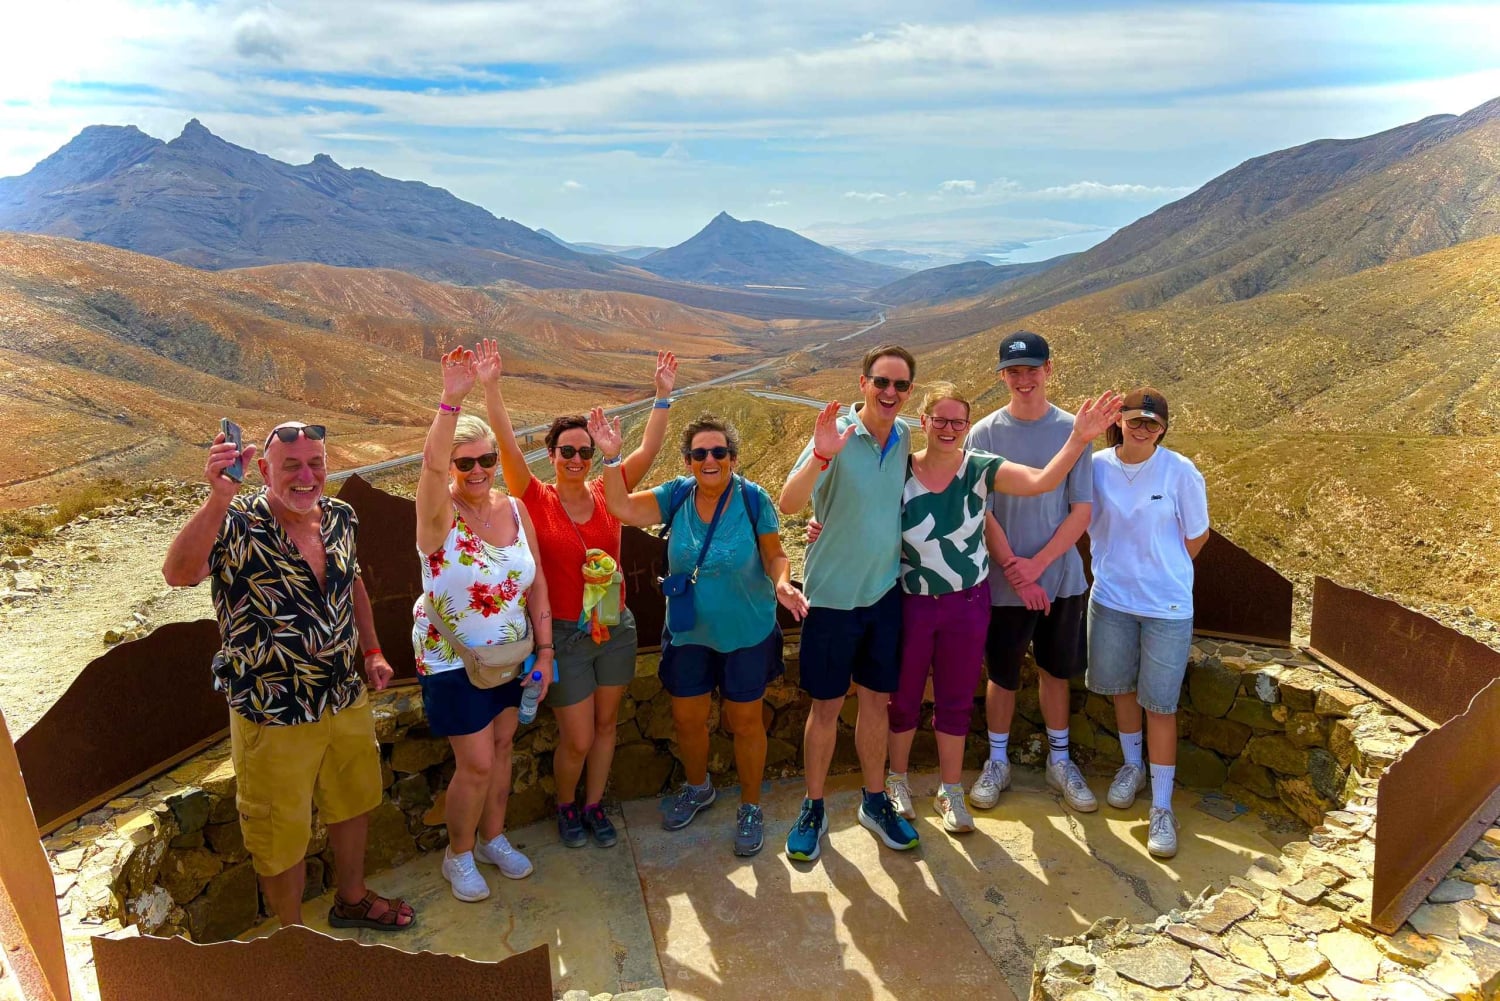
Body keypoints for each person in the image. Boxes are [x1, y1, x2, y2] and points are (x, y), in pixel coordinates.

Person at [162, 421, 414, 932]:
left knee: (353, 801)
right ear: (263, 470)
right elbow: (179, 573)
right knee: (279, 832)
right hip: (273, 709)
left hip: (345, 694)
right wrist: (216, 498)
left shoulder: (341, 517)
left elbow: (354, 584)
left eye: (315, 463)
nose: (306, 476)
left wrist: (372, 650)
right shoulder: (235, 523)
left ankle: (352, 899)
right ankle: (294, 939)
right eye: (291, 465)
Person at [881, 381, 1118, 834]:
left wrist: (1078, 438)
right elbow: (866, 512)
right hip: (911, 602)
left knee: (954, 699)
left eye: (958, 421)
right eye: (940, 420)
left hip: (967, 603)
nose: (949, 428)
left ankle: (951, 792)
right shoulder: (900, 471)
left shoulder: (981, 468)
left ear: (967, 426)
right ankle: (897, 782)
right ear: (924, 422)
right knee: (904, 697)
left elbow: (1042, 481)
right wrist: (821, 525)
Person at [480, 338, 677, 848]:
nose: (576, 458)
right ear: (550, 454)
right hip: (564, 634)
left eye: (584, 451)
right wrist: (491, 388)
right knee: (579, 735)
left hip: (614, 627)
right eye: (566, 450)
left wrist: (661, 396)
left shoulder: (608, 492)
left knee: (608, 725)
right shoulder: (535, 496)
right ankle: (566, 805)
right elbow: (503, 442)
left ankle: (594, 805)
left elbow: (648, 451)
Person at [593, 411, 809, 856]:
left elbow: (774, 554)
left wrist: (783, 582)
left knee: (746, 722)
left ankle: (750, 806)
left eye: (719, 452)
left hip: (746, 632)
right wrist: (612, 458)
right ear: (688, 460)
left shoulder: (753, 499)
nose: (709, 459)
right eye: (699, 453)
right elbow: (622, 507)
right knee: (689, 720)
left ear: (732, 457)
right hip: (690, 633)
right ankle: (699, 788)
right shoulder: (676, 495)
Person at [412, 346, 553, 901]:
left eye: (485, 461)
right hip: (453, 660)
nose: (476, 471)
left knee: (501, 750)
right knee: (473, 764)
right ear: (450, 465)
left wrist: (543, 650)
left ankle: (494, 838)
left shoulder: (514, 511)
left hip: (510, 655)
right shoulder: (436, 518)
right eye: (464, 462)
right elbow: (427, 467)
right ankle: (459, 855)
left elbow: (536, 580)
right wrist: (451, 400)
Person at [777, 345, 917, 861]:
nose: (889, 393)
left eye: (901, 386)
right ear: (863, 383)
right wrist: (820, 455)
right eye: (881, 382)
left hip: (882, 595)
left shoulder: (903, 438)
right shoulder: (836, 437)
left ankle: (874, 801)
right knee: (827, 706)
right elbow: (790, 503)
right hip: (832, 598)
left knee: (876, 702)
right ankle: (814, 809)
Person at [966, 330, 1099, 816]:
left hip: (1060, 579)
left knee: (1054, 671)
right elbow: (983, 513)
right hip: (1003, 583)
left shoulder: (1074, 430)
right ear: (1002, 375)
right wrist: (1017, 574)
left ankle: (1058, 761)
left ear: (1049, 370)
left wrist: (1038, 568)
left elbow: (1081, 510)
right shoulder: (983, 434)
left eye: (1032, 369)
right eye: (1014, 370)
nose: (1023, 379)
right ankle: (997, 761)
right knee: (1001, 674)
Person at [1085, 387, 1209, 859]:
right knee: (1121, 689)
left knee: (1159, 703)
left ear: (1163, 429)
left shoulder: (1179, 471)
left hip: (1166, 607)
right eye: (1137, 420)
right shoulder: (1097, 467)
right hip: (1113, 598)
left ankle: (1161, 805)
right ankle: (1131, 767)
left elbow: (1195, 537)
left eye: (1154, 424)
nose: (1144, 429)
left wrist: (1160, 571)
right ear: (1120, 419)